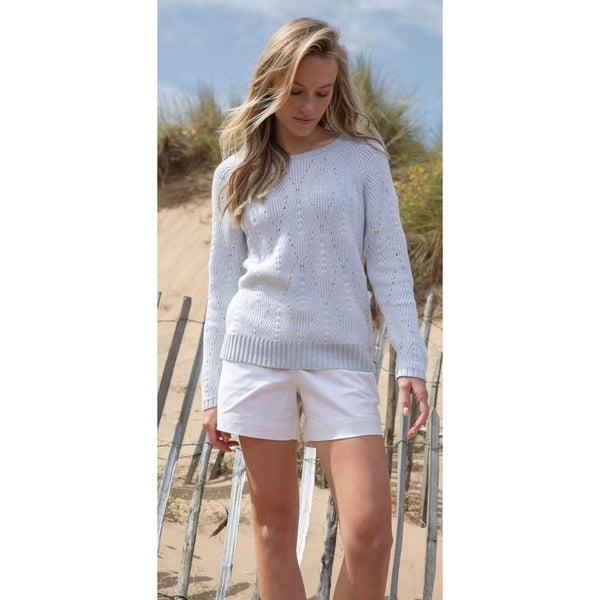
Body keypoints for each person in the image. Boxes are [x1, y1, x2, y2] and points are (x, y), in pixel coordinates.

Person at [200, 17, 429, 600]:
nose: (308, 106)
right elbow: (223, 286)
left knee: (370, 535)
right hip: (254, 358)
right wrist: (211, 391)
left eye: (323, 93)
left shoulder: (362, 159)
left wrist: (411, 357)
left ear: (337, 90)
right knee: (273, 528)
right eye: (295, 91)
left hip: (341, 356)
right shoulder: (234, 173)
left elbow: (390, 263)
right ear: (270, 85)